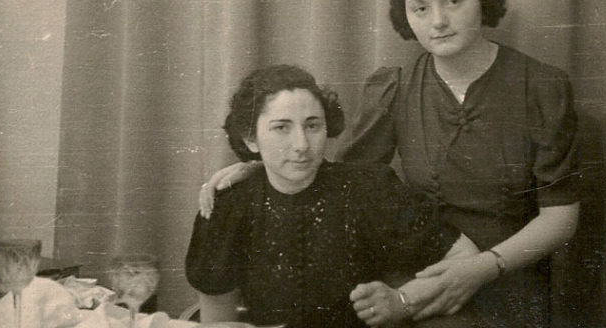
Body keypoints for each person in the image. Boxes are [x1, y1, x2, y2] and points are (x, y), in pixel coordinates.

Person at [199, 0, 581, 327]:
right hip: (418, 276)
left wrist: (483, 267)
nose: (438, 21)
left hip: (507, 276)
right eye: (420, 8)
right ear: (406, 16)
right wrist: (259, 167)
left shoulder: (541, 86)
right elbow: (337, 174)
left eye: (453, 1)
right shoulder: (395, 87)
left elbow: (561, 217)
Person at [185, 64, 479, 328]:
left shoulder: (368, 189)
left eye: (312, 125)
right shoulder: (228, 206)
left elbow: (466, 257)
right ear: (251, 139)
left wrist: (403, 299)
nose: (302, 144)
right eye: (281, 128)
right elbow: (218, 322)